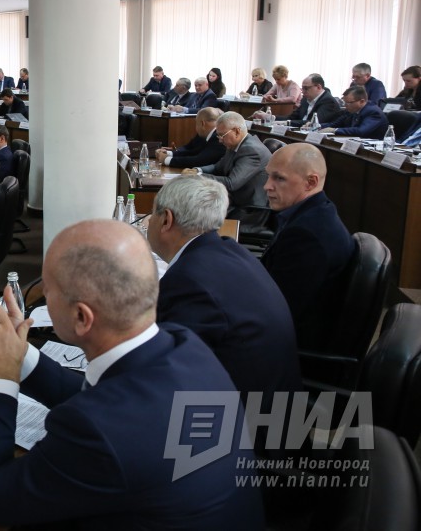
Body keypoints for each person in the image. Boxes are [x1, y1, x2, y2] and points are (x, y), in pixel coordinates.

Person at [0, 219, 264, 529]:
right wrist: (19, 353)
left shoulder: (96, 432)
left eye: (47, 292)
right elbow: (106, 401)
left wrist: (1, 376)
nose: (44, 299)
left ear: (81, 317)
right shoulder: (185, 345)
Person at [148, 175, 301, 411]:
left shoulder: (188, 282)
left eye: (152, 214)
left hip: (242, 421)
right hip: (272, 403)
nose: (149, 221)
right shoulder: (232, 250)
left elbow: (167, 369)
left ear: (166, 219)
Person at [262, 143, 356, 350]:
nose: (267, 186)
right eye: (268, 176)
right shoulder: (315, 212)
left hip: (286, 346)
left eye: (279, 178)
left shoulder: (306, 236)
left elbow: (276, 309)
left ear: (310, 182)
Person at [187, 111, 272, 227]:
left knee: (196, 214)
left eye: (222, 135)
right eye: (218, 136)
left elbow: (232, 183)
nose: (220, 140)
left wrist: (198, 177)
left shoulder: (252, 151)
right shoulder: (235, 145)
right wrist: (198, 170)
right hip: (234, 201)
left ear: (236, 131)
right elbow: (217, 167)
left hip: (247, 211)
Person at [155, 107, 225, 168]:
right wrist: (168, 153)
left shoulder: (218, 137)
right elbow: (192, 151)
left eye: (196, 123)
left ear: (202, 124)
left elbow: (199, 161)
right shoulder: (207, 134)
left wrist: (167, 160)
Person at [319, 85, 389, 139]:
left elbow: (361, 131)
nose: (345, 105)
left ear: (361, 101)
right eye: (344, 102)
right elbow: (335, 124)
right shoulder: (351, 110)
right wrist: (318, 126)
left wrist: (335, 130)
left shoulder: (374, 112)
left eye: (348, 103)